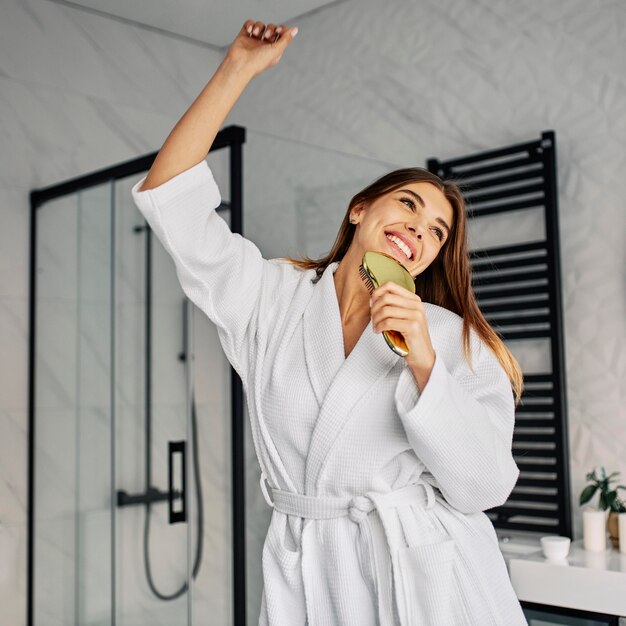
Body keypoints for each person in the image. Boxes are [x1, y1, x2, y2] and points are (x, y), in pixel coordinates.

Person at [132, 19, 527, 626]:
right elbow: (171, 200)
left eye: (437, 231)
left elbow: (485, 487)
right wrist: (237, 67)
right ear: (361, 208)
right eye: (409, 205)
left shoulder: (451, 338)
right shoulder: (270, 299)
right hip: (309, 571)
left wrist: (423, 359)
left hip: (428, 583)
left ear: (431, 256)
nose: (419, 229)